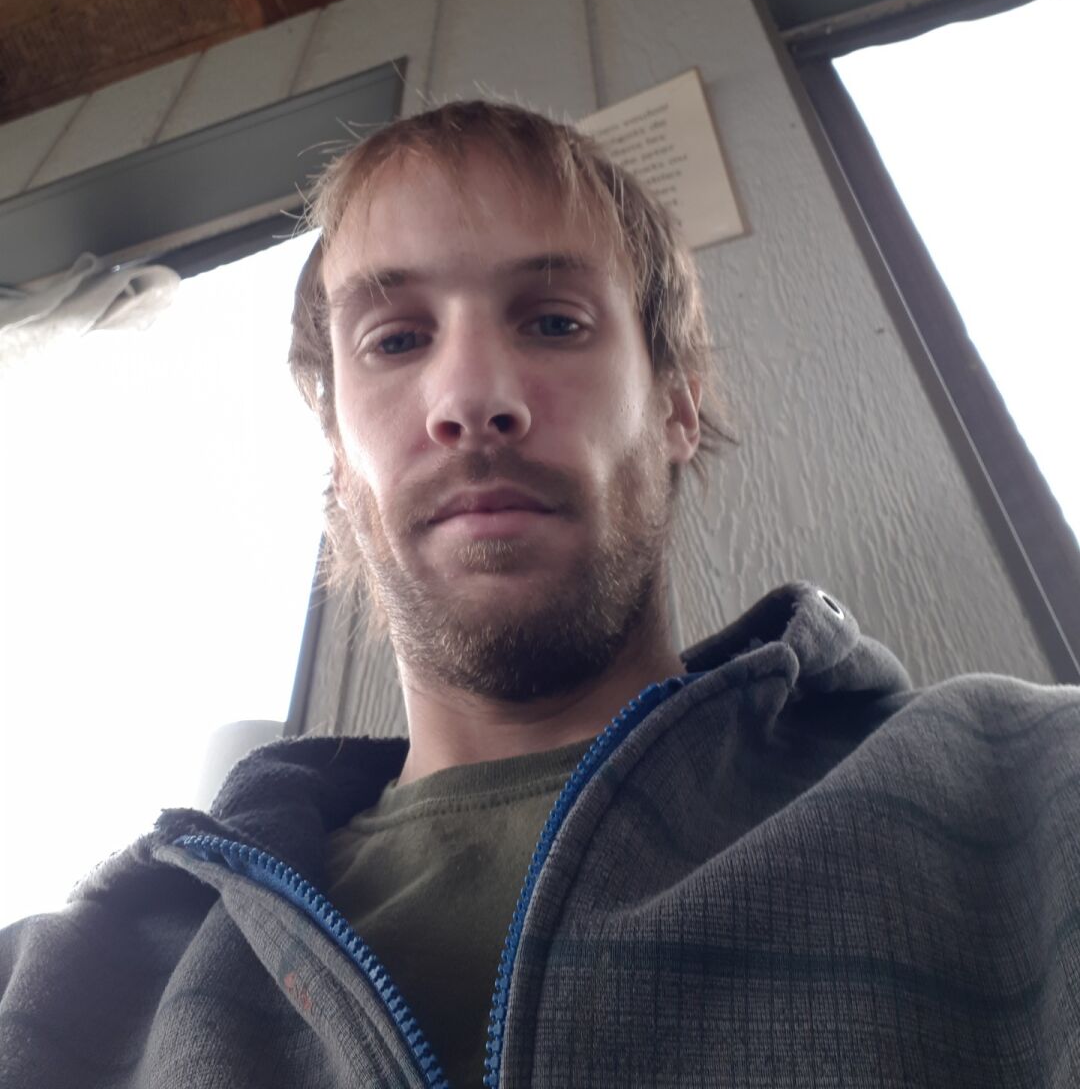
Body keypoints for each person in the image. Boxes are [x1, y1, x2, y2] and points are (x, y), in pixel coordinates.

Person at [2, 100, 1078, 1088]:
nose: (473, 397)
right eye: (395, 339)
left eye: (555, 323)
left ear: (675, 408)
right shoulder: (71, 979)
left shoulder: (1023, 788)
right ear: (336, 453)